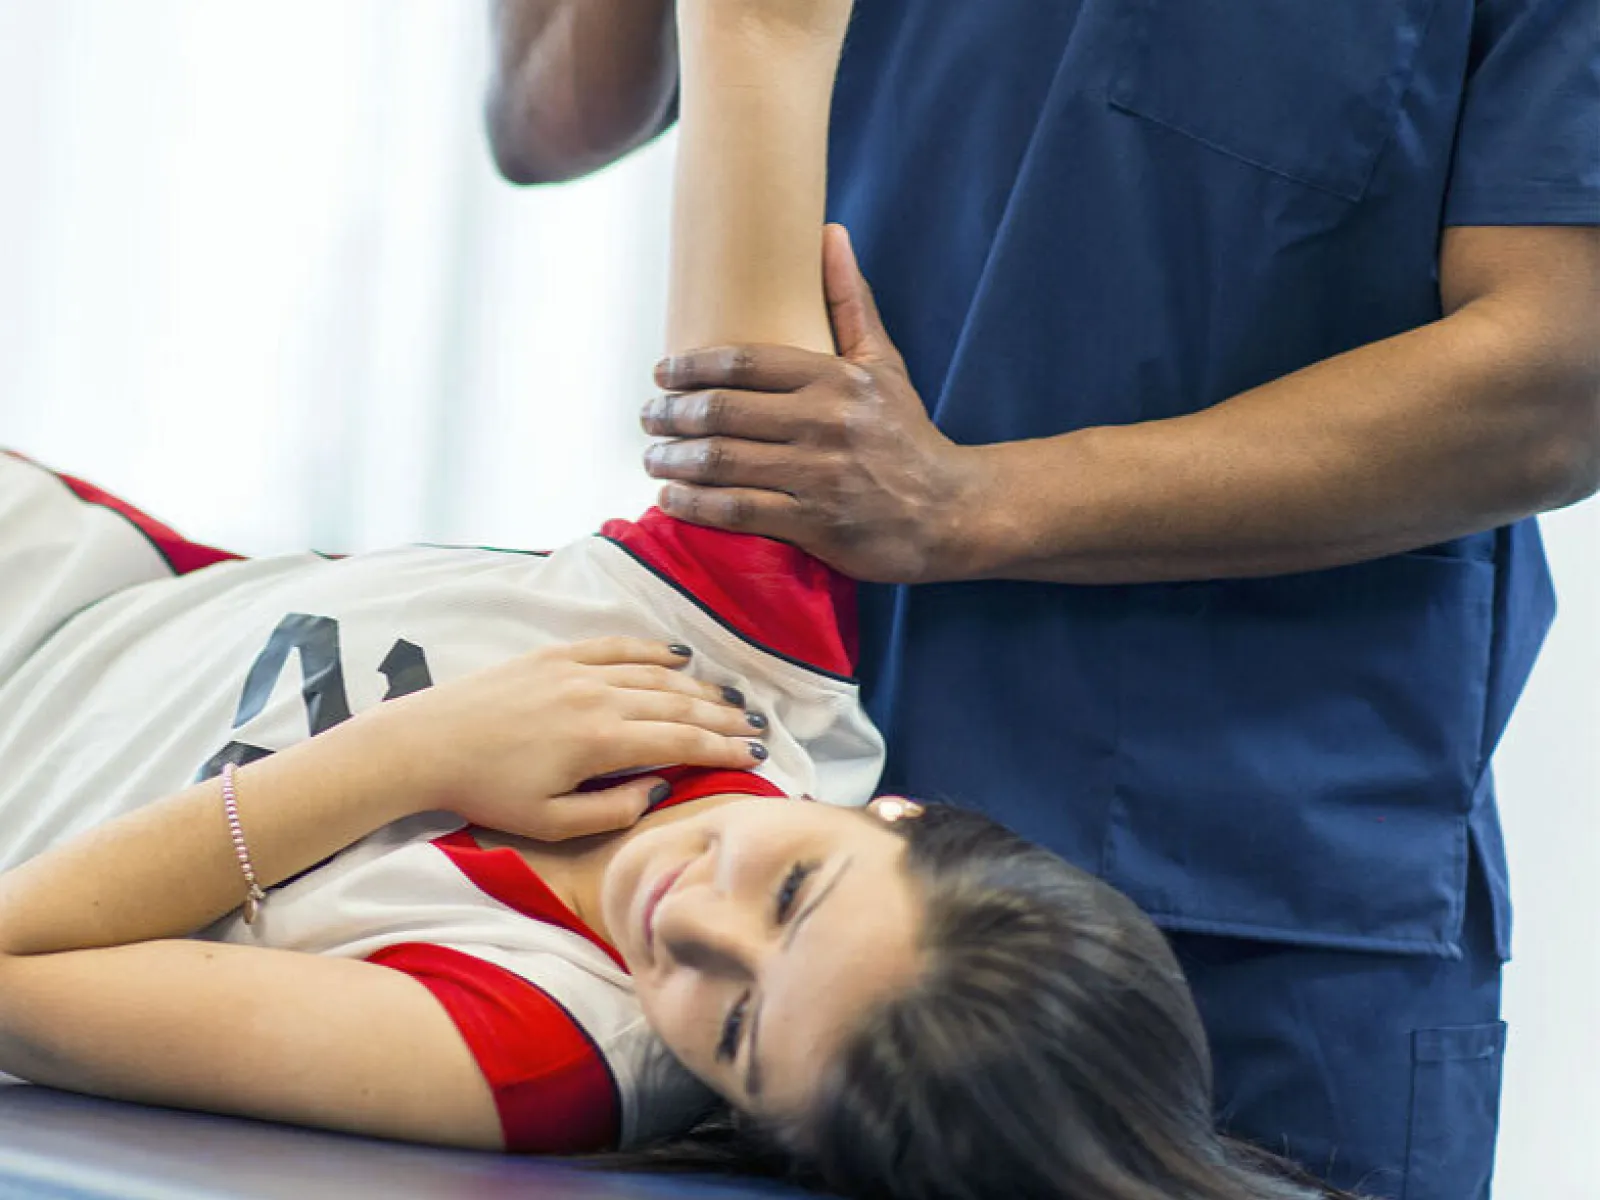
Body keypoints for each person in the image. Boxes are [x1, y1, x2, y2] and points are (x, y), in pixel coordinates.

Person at [0, 3, 1366, 1197]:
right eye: (792, 895)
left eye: (734, 1034)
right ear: (901, 821)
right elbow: (758, 31)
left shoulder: (535, 1043)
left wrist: (413, 756)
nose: (690, 925)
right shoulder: (748, 636)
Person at [490, 2, 1600, 1195]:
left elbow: (1557, 380)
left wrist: (967, 505)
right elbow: (545, 115)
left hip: (1253, 893)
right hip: (777, 853)